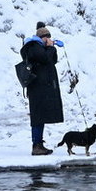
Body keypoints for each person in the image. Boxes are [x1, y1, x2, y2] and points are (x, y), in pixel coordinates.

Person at [21, 21, 64, 155]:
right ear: (41, 38)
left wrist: (53, 47)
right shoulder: (33, 46)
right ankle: (36, 145)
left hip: (42, 88)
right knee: (38, 117)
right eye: (47, 38)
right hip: (37, 88)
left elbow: (52, 60)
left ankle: (39, 143)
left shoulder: (41, 47)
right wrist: (50, 48)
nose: (49, 40)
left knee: (41, 116)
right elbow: (45, 58)